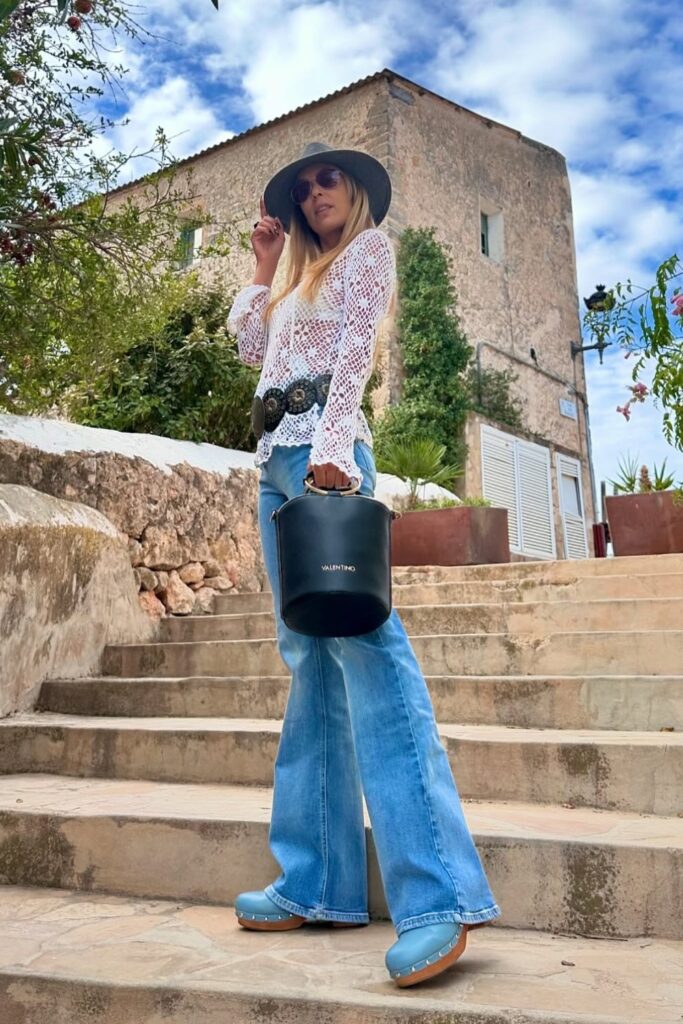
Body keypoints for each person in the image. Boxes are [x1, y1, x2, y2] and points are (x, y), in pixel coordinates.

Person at [227, 141, 501, 988]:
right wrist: (265, 265)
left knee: (370, 656)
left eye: (327, 180)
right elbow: (248, 350)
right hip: (277, 466)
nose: (315, 195)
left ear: (355, 191)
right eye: (304, 188)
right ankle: (314, 882)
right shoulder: (294, 278)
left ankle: (439, 898)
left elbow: (355, 353)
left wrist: (338, 443)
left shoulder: (368, 254)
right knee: (307, 661)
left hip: (325, 455)